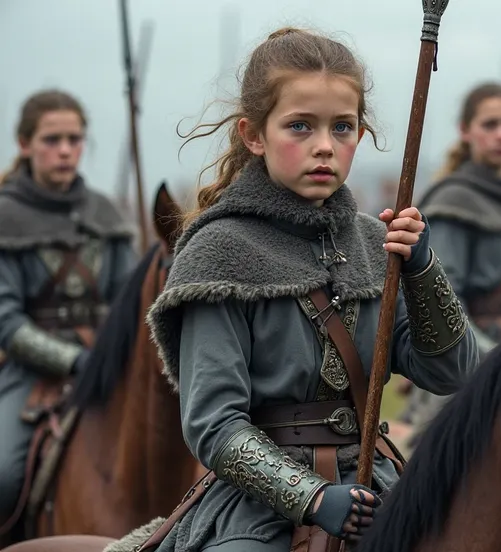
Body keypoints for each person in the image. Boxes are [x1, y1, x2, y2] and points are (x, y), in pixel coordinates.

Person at [143, 27, 477, 552]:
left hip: (378, 489)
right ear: (253, 134)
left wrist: (422, 268)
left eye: (342, 127)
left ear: (360, 137)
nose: (324, 145)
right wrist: (314, 499)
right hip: (257, 509)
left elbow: (451, 371)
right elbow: (213, 424)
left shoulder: (375, 242)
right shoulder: (217, 253)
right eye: (300, 126)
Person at [0, 90, 137, 522]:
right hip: (31, 374)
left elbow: (130, 301)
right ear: (24, 144)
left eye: (74, 139)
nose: (65, 150)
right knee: (3, 473)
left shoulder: (105, 214)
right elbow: (6, 321)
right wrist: (75, 361)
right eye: (51, 139)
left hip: (111, 365)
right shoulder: (5, 217)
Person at [397, 83, 501, 443]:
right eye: (490, 125)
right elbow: (443, 298)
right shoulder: (455, 201)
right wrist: (495, 361)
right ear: (466, 131)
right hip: (469, 363)